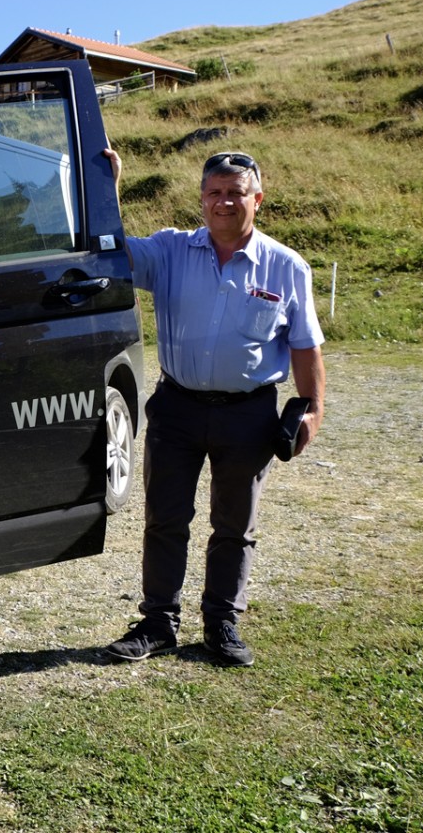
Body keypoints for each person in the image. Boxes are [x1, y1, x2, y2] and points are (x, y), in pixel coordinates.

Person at [102, 148, 325, 667]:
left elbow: (305, 345)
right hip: (176, 408)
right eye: (215, 192)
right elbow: (115, 255)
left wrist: (312, 410)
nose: (224, 202)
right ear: (202, 200)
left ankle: (221, 623)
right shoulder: (171, 251)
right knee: (165, 518)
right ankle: (158, 623)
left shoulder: (286, 266)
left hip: (248, 414)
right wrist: (107, 190)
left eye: (236, 192)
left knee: (234, 524)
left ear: (257, 200)